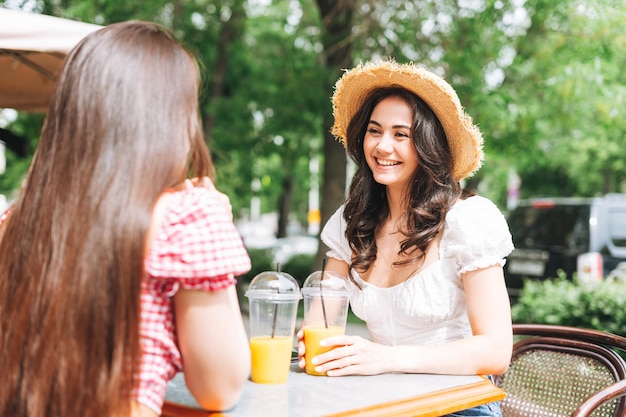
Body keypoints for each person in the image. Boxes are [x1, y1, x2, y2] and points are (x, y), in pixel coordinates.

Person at [0, 21, 251, 417]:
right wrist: (216, 224)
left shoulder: (15, 223)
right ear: (170, 122)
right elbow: (219, 387)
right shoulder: (184, 220)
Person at [297, 60, 514, 417]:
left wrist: (386, 358)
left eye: (401, 134)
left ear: (428, 144)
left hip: (457, 405)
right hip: (379, 400)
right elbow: (321, 320)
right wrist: (313, 342)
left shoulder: (467, 221)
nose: (383, 146)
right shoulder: (351, 222)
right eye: (374, 130)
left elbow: (495, 352)